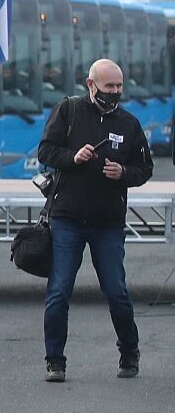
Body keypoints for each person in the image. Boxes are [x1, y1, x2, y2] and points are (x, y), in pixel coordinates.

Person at [34, 58, 151, 383]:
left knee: (116, 291)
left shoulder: (129, 123)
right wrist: (72, 158)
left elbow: (146, 168)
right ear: (90, 85)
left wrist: (124, 173)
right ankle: (54, 360)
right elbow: (45, 151)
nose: (113, 93)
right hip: (67, 218)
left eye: (118, 87)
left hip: (108, 222)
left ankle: (129, 351)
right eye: (108, 87)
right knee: (59, 291)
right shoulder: (68, 111)